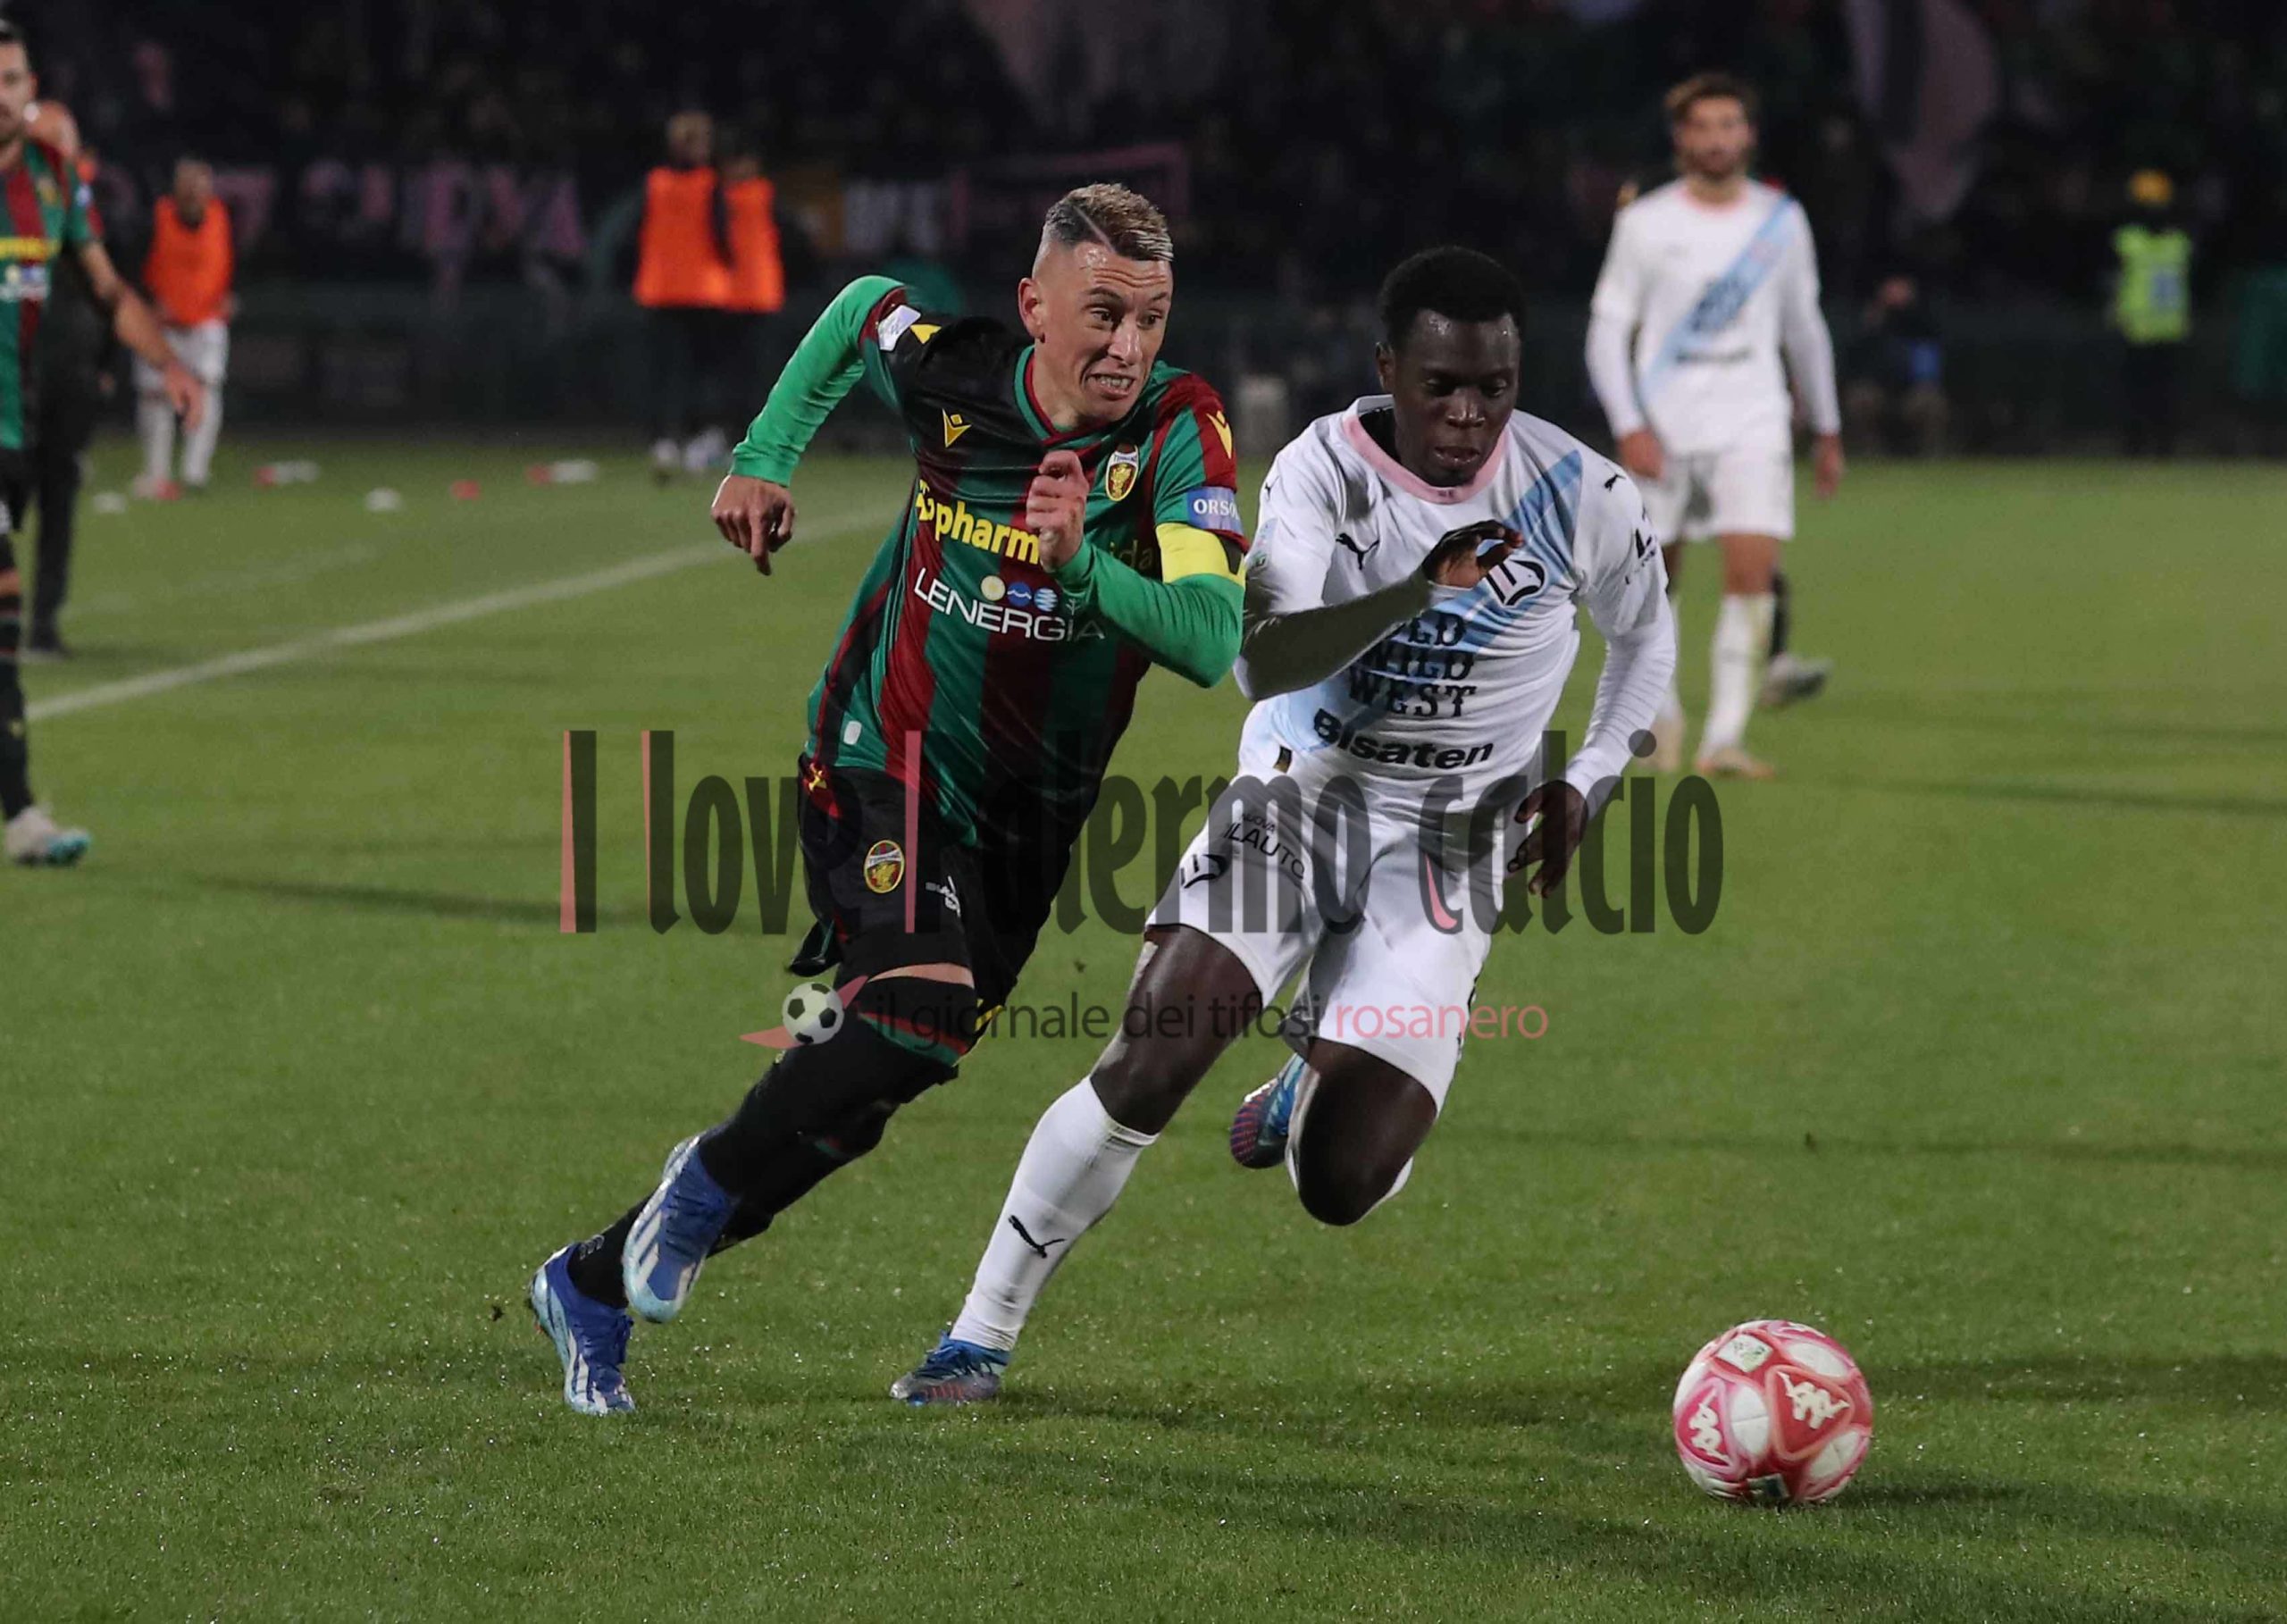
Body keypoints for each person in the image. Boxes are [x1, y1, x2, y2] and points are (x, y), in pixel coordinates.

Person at [888, 247, 1676, 1405]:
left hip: (1456, 843)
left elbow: (1647, 635)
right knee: (1155, 1056)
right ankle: (979, 1332)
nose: (1467, 416)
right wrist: (1422, 589)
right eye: (1440, 385)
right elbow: (1261, 660)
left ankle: (1312, 1088)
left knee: (1341, 1182)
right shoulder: (1322, 471)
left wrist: (1592, 775)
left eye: (1494, 388)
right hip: (1303, 796)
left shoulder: (1583, 494)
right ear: (1388, 369)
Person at [529, 183, 1249, 1416]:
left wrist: (1085, 566)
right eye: (1103, 312)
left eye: (1151, 317)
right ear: (1033, 307)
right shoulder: (955, 376)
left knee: (871, 1084)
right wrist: (762, 458)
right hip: (883, 756)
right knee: (913, 1007)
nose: (1129, 345)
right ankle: (695, 1194)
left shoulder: (1179, 431)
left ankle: (592, 1276)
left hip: (1029, 822)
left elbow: (1205, 630)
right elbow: (862, 308)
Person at [1587, 72, 1842, 780]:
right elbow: (1607, 332)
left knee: (1752, 573)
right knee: (1650, 584)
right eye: (1703, 126)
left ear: (1749, 135)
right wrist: (1629, 422)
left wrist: (1827, 426)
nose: (1717, 139)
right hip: (1663, 423)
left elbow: (1804, 326)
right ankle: (1662, 717)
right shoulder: (1646, 223)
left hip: (1752, 417)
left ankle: (1723, 740)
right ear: (1681, 139)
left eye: (1730, 125)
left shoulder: (1780, 221)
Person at [0, 21, 205, 865]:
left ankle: (16, 813)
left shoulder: (52, 181)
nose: (1, 94)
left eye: (12, 78)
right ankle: (19, 814)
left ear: (32, 89)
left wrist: (169, 366)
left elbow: (109, 287)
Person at [20, 99, 111, 660]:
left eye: (64, 140)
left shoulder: (85, 205)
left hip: (71, 378)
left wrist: (106, 368)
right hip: (17, 375)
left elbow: (109, 291)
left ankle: (44, 624)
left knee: (59, 503)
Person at [632, 110, 733, 482]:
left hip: (658, 287)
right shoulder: (710, 183)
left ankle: (662, 441)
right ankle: (698, 441)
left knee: (661, 371)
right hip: (703, 290)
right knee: (701, 371)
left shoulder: (655, 182)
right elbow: (722, 235)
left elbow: (639, 230)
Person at [133, 156, 233, 498]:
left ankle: (195, 472)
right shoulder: (156, 217)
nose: (193, 194)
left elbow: (236, 260)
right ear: (176, 188)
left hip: (206, 322)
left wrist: (233, 295)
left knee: (205, 390)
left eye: (199, 187)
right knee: (156, 395)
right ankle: (157, 473)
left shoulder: (221, 217)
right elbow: (134, 259)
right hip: (162, 325)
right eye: (187, 186)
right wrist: (147, 298)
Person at [2113, 170, 2192, 457]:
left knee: (2142, 393)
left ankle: (2142, 446)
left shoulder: (2128, 241)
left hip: (2141, 327)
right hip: (2168, 327)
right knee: (2161, 393)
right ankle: (2158, 446)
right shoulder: (2179, 243)